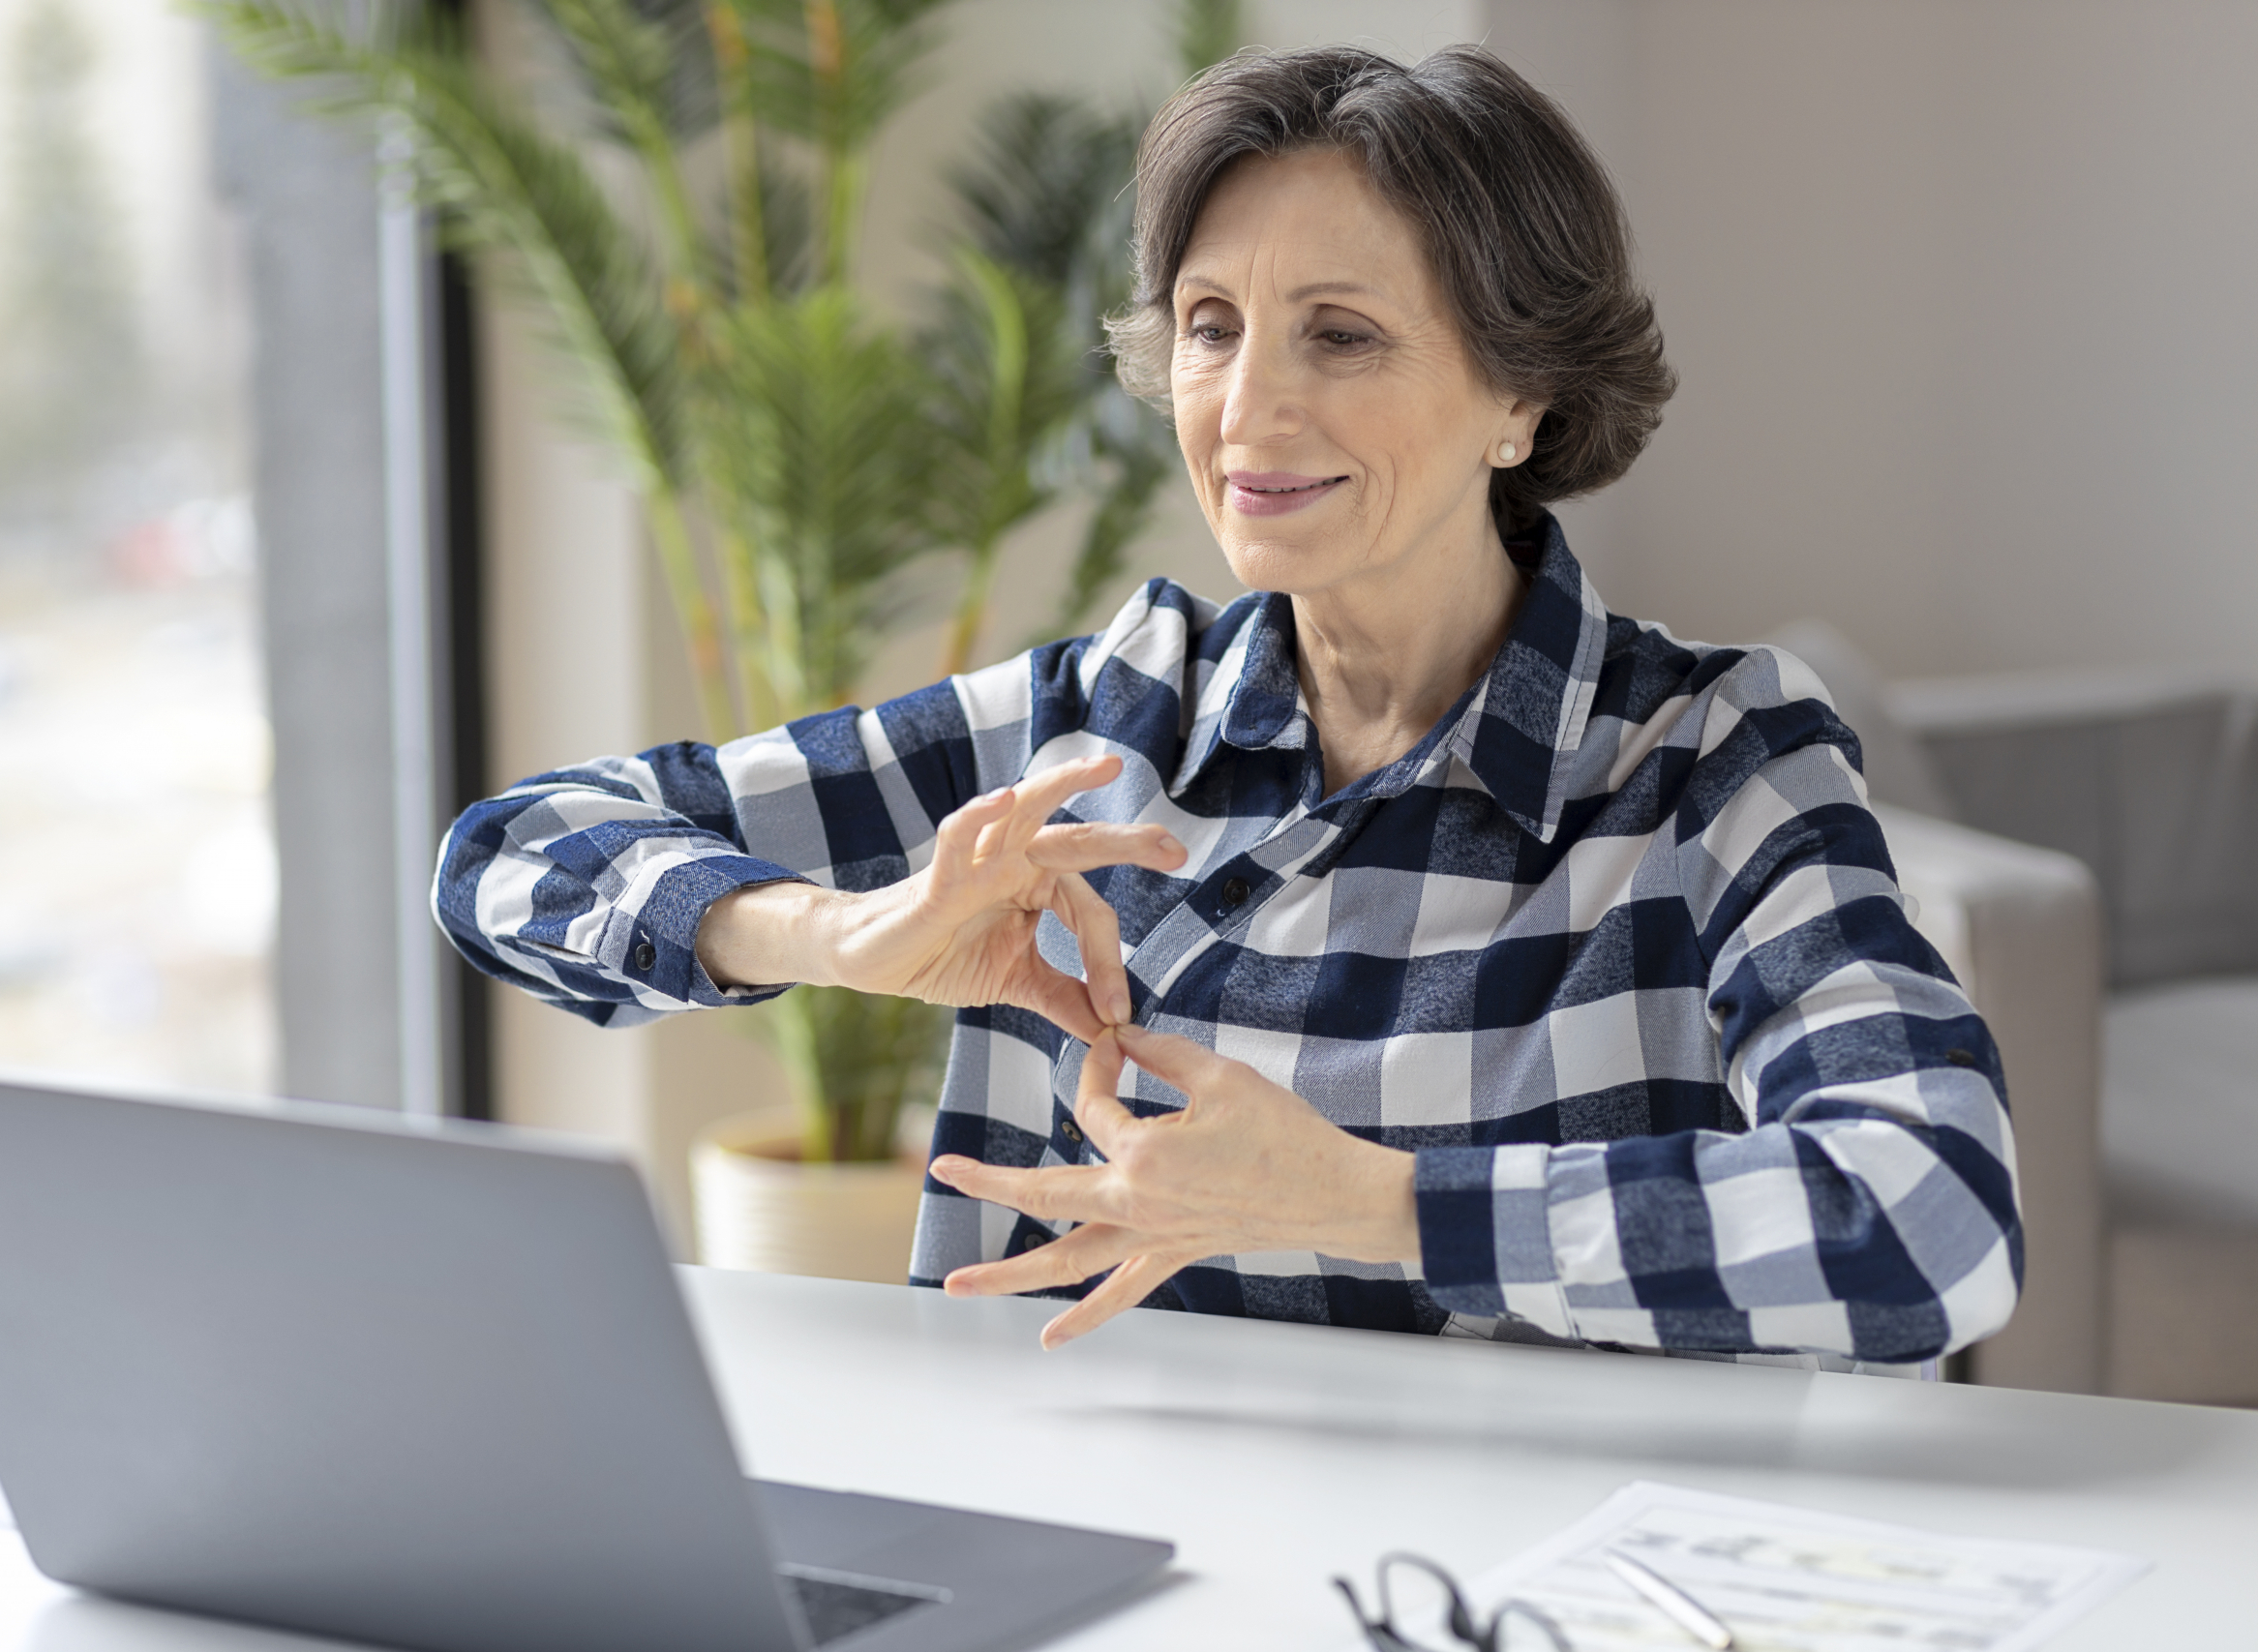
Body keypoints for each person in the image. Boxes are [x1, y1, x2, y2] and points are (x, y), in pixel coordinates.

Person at [434, 45, 2020, 1372]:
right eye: (1211, 328)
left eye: (1342, 335)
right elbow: (513, 854)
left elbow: (1929, 1215)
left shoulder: (1710, 762)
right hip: (1093, 1560)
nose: (1248, 409)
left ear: (1523, 396)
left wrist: (1373, 1203)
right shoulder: (1096, 720)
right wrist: (834, 938)